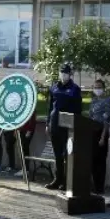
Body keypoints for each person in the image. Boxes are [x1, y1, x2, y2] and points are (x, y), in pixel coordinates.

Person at [46, 62, 82, 190]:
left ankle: (66, 181)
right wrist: (47, 123)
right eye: (62, 72)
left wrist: (74, 126)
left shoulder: (75, 89)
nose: (63, 75)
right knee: (57, 155)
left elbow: (78, 110)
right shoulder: (54, 87)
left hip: (67, 127)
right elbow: (50, 107)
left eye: (66, 73)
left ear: (70, 74)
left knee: (67, 155)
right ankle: (57, 179)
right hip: (54, 125)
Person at [88, 79, 110, 195]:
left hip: (101, 132)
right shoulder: (93, 101)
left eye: (99, 87)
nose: (97, 89)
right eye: (95, 87)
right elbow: (90, 116)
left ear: (103, 88)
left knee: (100, 161)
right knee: (92, 160)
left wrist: (103, 137)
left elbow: (106, 120)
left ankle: (100, 187)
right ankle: (94, 185)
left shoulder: (107, 100)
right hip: (92, 133)